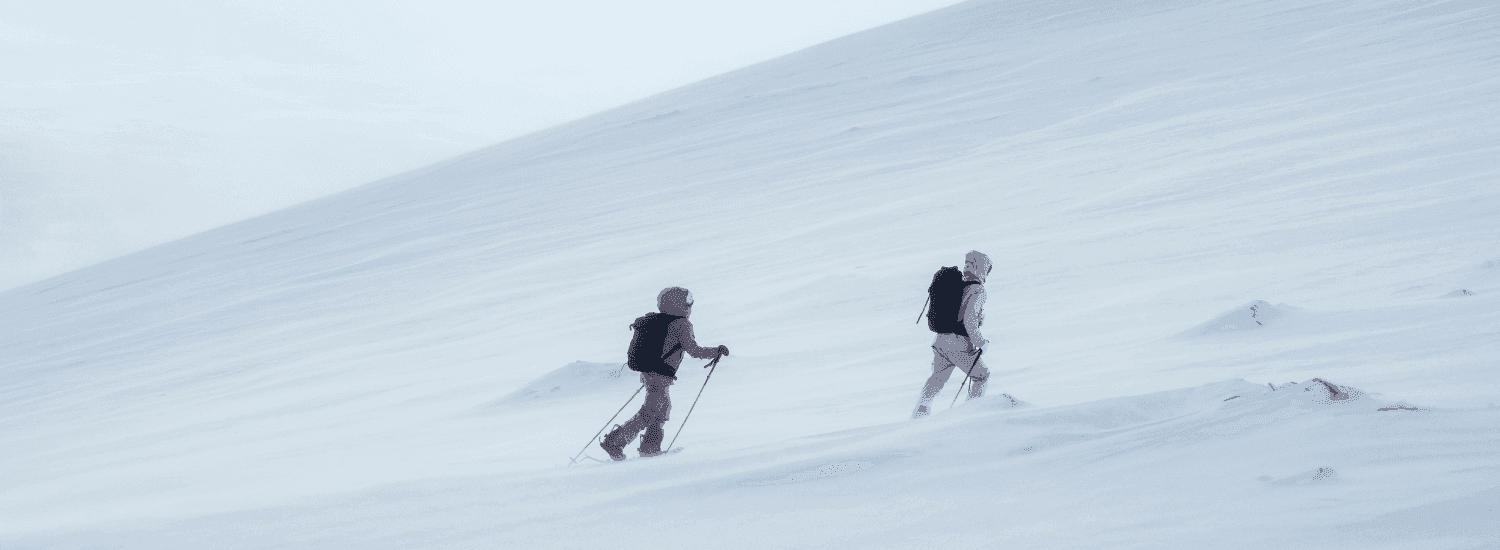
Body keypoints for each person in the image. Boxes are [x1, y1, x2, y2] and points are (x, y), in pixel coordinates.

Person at [601, 287, 728, 460]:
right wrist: (716, 351)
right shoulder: (681, 324)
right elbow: (694, 351)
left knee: (662, 408)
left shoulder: (657, 320)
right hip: (659, 375)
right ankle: (615, 442)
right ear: (681, 305)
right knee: (650, 411)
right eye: (688, 304)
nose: (690, 307)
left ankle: (649, 447)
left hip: (650, 373)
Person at [913, 251, 992, 418]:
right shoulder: (977, 290)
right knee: (981, 376)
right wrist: (982, 343)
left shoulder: (958, 285)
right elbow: (969, 320)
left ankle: (920, 412)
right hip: (958, 344)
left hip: (940, 340)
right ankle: (970, 414)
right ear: (981, 268)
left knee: (937, 378)